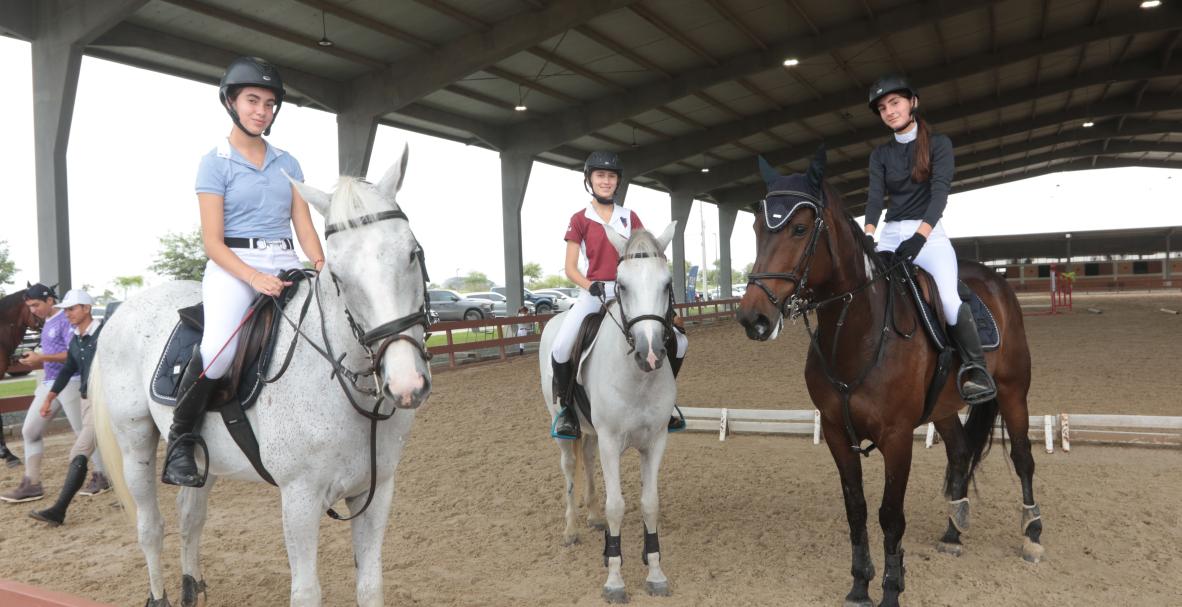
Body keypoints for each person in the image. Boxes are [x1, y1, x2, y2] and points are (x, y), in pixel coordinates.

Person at [161, 56, 326, 488]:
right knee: (218, 350)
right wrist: (252, 279)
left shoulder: (288, 162)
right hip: (234, 266)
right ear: (232, 101)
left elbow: (303, 225)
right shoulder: (213, 162)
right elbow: (212, 241)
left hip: (286, 260)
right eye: (253, 100)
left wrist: (322, 264)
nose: (261, 110)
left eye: (270, 104)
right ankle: (182, 439)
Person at [863, 75, 997, 405]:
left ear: (913, 102)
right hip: (891, 234)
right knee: (869, 294)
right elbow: (874, 198)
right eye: (882, 108)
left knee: (949, 299)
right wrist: (868, 236)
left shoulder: (939, 145)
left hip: (930, 236)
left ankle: (975, 369)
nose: (889, 111)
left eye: (895, 103)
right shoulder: (880, 155)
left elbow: (939, 197)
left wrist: (919, 240)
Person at [549, 151, 688, 439]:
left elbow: (646, 256)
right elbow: (570, 268)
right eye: (600, 176)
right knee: (561, 346)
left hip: (633, 292)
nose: (606, 181)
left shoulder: (630, 216)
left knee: (680, 341)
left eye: (611, 177)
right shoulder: (579, 219)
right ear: (589, 180)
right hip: (595, 291)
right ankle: (567, 410)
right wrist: (590, 286)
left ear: (617, 182)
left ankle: (667, 404)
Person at [0, 284, 104, 503]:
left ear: (49, 301)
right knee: (30, 431)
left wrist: (41, 359)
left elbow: (72, 355)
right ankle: (31, 483)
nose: (33, 310)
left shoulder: (65, 320)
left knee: (83, 432)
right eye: (30, 307)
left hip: (71, 382)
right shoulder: (46, 323)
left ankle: (102, 474)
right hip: (50, 383)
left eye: (36, 305)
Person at [29, 289, 109, 525]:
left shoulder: (104, 334)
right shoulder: (76, 339)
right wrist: (48, 398)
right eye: (65, 310)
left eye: (72, 309)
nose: (67, 314)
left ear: (87, 308)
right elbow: (67, 370)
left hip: (103, 401)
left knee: (79, 451)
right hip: (87, 399)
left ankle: (59, 509)